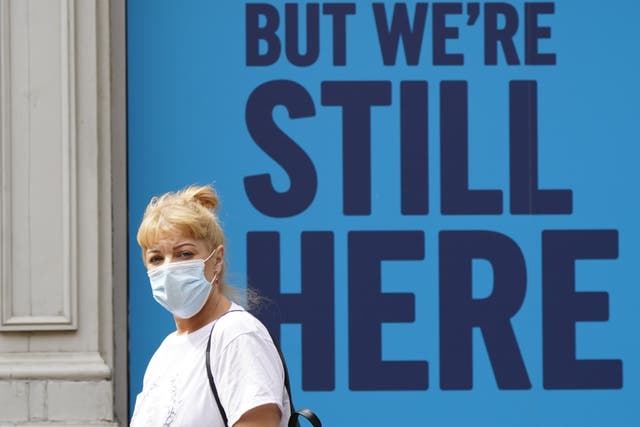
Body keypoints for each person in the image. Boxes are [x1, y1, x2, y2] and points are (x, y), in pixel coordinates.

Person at [130, 184, 291, 427]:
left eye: (184, 254)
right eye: (156, 258)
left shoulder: (237, 335)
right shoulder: (166, 352)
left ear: (216, 259)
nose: (169, 267)